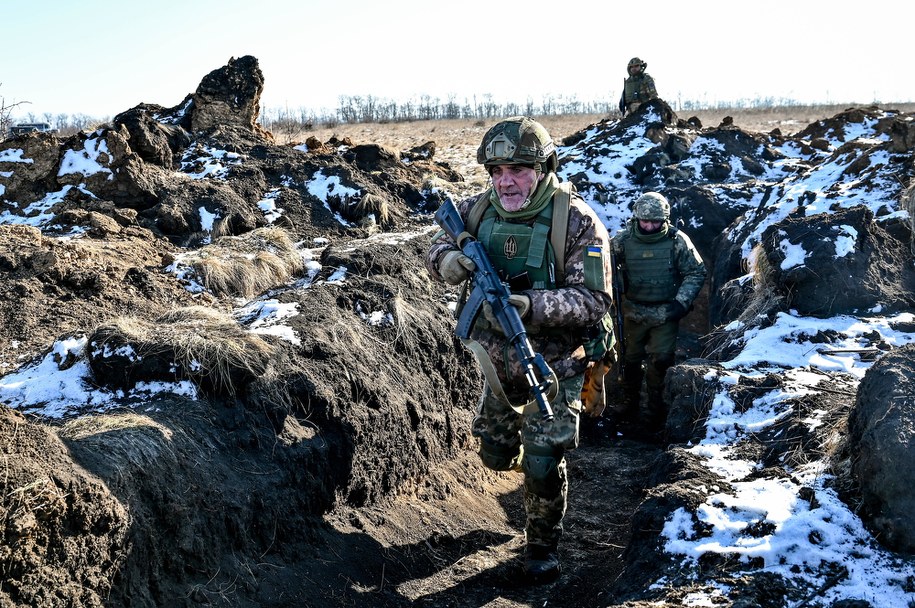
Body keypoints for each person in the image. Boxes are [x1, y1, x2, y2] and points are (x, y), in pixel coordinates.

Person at [425, 117, 614, 583]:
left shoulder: (576, 221)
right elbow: (437, 242)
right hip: (496, 364)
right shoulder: (476, 210)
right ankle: (516, 459)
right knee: (493, 454)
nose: (505, 181)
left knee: (544, 460)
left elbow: (595, 301)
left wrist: (532, 305)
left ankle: (540, 546)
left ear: (544, 165)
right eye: (496, 171)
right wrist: (448, 260)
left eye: (518, 169)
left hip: (555, 365)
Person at [609, 192, 706, 437]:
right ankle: (629, 404)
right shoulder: (621, 241)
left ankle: (655, 413)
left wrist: (681, 303)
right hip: (632, 312)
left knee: (660, 363)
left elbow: (696, 271)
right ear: (636, 218)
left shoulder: (677, 241)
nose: (650, 226)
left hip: (665, 313)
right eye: (645, 221)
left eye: (656, 222)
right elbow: (602, 267)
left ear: (665, 220)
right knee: (629, 361)